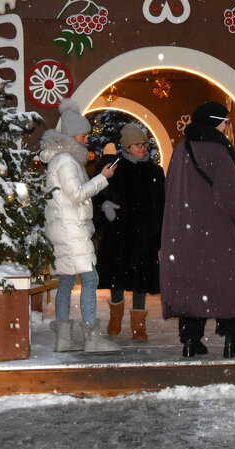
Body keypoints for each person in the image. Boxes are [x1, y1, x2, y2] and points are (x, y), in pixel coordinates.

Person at [160, 101, 235, 358]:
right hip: (219, 231)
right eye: (225, 121)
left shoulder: (182, 147)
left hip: (186, 232)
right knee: (227, 282)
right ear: (216, 122)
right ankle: (232, 339)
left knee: (191, 285)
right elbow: (230, 195)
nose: (227, 126)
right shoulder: (218, 149)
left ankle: (191, 341)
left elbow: (172, 187)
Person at [42, 99, 119, 354]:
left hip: (64, 228)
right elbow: (76, 194)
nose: (86, 141)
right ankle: (91, 338)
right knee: (90, 278)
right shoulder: (65, 160)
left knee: (65, 281)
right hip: (71, 228)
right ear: (71, 136)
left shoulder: (59, 159)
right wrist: (102, 178)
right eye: (83, 136)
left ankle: (63, 338)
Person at [94, 122, 165, 340]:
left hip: (145, 234)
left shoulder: (155, 171)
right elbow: (98, 193)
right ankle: (115, 318)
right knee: (117, 277)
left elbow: (162, 203)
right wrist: (105, 207)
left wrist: (160, 231)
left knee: (141, 279)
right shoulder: (115, 168)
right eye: (137, 144)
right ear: (126, 147)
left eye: (144, 143)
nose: (142, 147)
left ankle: (138, 325)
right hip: (119, 233)